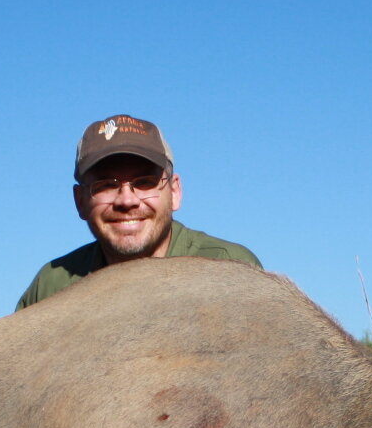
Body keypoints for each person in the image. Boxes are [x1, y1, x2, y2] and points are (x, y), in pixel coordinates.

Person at [16, 114, 260, 309]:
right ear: (80, 202)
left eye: (145, 183)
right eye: (106, 186)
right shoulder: (51, 285)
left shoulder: (229, 268)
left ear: (174, 192)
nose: (127, 200)